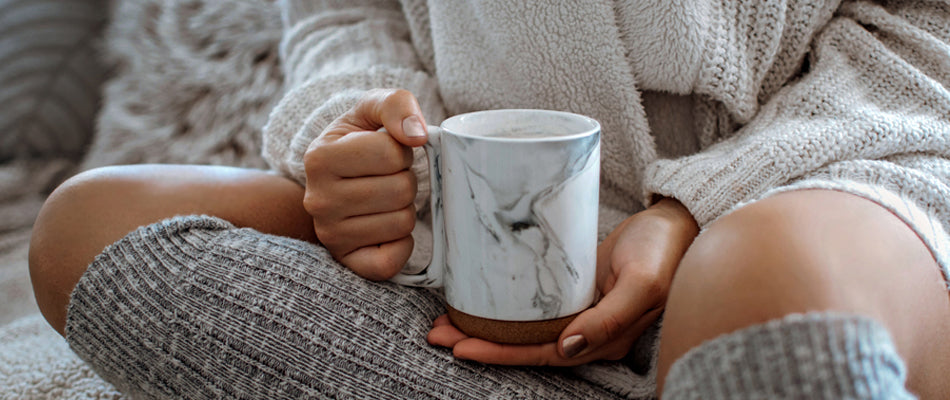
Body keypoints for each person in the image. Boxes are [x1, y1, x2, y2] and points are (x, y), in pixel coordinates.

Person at [28, 0, 950, 398]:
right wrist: (361, 143)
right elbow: (342, 22)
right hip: (471, 210)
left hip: (828, 173)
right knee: (95, 228)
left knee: (763, 281)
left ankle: (726, 347)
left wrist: (696, 209)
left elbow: (917, 38)